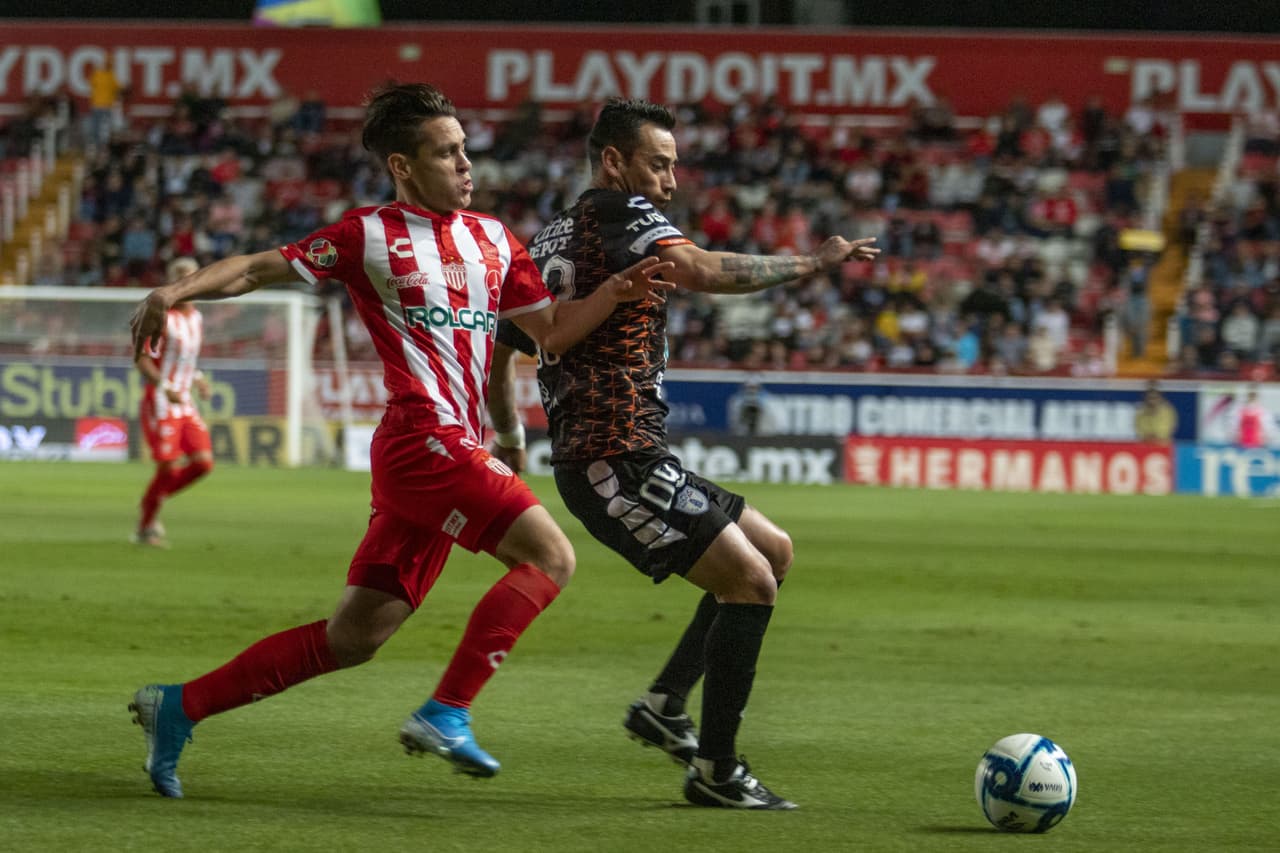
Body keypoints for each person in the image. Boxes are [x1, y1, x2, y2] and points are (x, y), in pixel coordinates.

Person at [126, 82, 674, 799]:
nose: (465, 164)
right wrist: (174, 293)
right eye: (446, 153)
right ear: (403, 166)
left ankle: (179, 706)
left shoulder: (495, 240)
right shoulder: (365, 235)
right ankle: (448, 710)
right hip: (423, 439)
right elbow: (260, 266)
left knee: (354, 637)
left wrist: (614, 292)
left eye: (465, 149)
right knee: (551, 554)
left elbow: (552, 333)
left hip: (438, 453)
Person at [497, 98, 878, 810]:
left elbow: (510, 342)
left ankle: (667, 703)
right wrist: (811, 262)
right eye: (658, 163)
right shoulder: (623, 215)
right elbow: (703, 270)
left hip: (628, 454)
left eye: (673, 165)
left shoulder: (549, 237)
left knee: (775, 550)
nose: (670, 181)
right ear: (614, 162)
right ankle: (717, 770)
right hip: (616, 461)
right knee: (753, 583)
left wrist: (509, 430)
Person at [132, 257, 214, 548]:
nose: (185, 283)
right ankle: (146, 527)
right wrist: (164, 386)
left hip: (185, 402)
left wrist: (199, 378)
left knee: (203, 464)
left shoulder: (197, 317)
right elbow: (141, 359)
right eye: (179, 277)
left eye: (190, 276)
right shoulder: (160, 315)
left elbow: (186, 359)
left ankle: (152, 501)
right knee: (167, 467)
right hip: (161, 400)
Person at [1134, 380, 1177, 444]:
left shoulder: (1167, 410)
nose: (1152, 399)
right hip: (1145, 443)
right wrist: (1147, 436)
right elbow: (1139, 428)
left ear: (1160, 396)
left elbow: (1167, 429)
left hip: (1163, 444)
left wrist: (1157, 437)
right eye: (1149, 396)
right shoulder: (1141, 410)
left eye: (1154, 396)